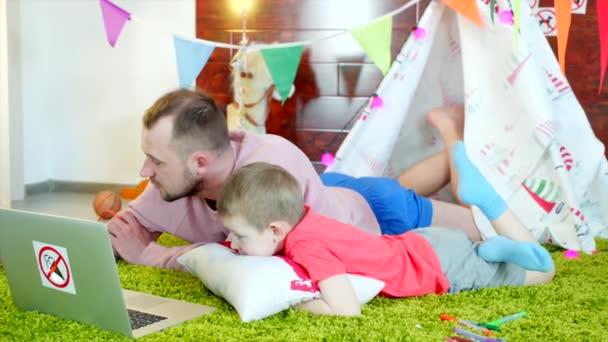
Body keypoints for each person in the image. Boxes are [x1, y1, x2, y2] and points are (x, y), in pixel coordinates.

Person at [108, 88, 481, 270]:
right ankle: (450, 155)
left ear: (199, 162)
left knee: (485, 229)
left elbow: (254, 263)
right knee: (395, 185)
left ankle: (453, 137)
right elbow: (125, 231)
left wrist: (151, 255)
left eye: (155, 161)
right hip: (326, 191)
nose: (145, 172)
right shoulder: (175, 181)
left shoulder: (266, 167)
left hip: (374, 217)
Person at [217, 146, 555, 316]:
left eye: (239, 235)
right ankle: (488, 249)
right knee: (484, 257)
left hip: (436, 266)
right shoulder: (306, 218)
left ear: (276, 229)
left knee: (544, 272)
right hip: (423, 241)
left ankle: (491, 205)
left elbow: (346, 309)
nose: (230, 243)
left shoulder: (306, 246)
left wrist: (296, 304)